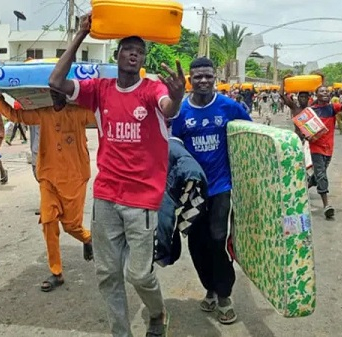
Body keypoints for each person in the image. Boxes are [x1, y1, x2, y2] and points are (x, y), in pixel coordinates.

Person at [48, 14, 184, 337]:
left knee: (138, 275)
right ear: (117, 55)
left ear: (143, 60)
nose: (134, 53)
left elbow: (168, 108)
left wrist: (177, 96)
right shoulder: (100, 90)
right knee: (107, 274)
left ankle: (157, 312)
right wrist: (82, 34)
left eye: (140, 50)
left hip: (142, 200)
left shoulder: (152, 90)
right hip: (107, 196)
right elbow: (55, 83)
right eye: (127, 49)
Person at [171, 57, 252, 325]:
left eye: (208, 76)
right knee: (196, 243)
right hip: (192, 191)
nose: (203, 81)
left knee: (217, 239)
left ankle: (225, 295)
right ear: (190, 80)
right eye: (198, 77)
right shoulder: (181, 113)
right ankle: (210, 287)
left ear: (214, 77)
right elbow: (172, 149)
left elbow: (251, 136)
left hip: (221, 186)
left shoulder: (230, 107)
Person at [0, 90, 95, 291]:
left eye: (61, 91)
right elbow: (18, 116)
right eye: (54, 92)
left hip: (74, 178)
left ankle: (87, 238)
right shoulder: (44, 113)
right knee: (48, 222)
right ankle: (56, 272)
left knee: (71, 226)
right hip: (48, 177)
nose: (57, 96)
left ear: (67, 93)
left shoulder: (80, 113)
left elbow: (105, 116)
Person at [308, 86, 342, 219]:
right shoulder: (311, 111)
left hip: (329, 148)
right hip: (315, 147)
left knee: (318, 175)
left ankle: (303, 188)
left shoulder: (333, 108)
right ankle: (326, 205)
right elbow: (304, 128)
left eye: (327, 91)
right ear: (316, 94)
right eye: (322, 91)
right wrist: (307, 136)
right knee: (321, 174)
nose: (325, 93)